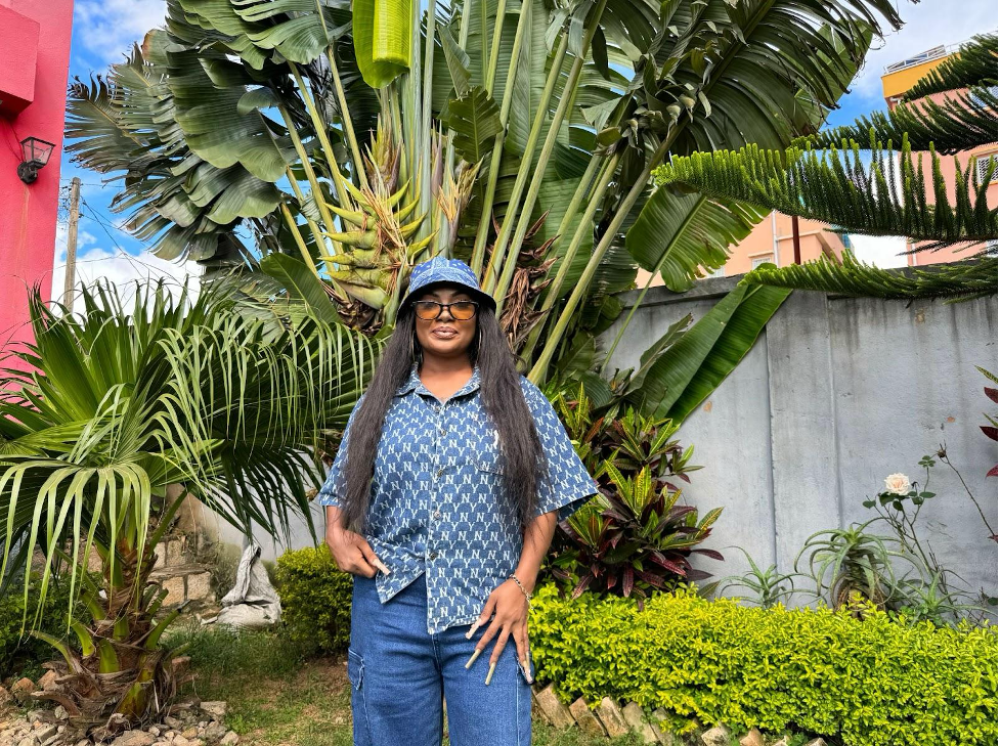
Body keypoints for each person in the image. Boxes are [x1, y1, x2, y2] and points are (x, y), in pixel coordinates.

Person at [318, 255, 599, 746]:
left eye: (459, 305)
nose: (444, 315)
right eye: (429, 304)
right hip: (390, 610)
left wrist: (521, 583)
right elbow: (341, 483)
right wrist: (335, 533)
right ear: (411, 319)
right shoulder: (379, 402)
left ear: (478, 319)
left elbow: (545, 499)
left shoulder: (521, 401)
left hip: (487, 610)